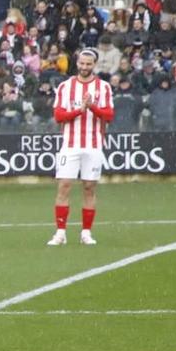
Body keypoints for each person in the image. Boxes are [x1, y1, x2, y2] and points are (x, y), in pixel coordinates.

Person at [50, 48, 114, 247]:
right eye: (81, 63)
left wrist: (93, 107)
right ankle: (60, 232)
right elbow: (58, 116)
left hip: (93, 145)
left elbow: (109, 115)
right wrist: (80, 110)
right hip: (70, 145)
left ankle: (86, 232)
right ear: (77, 63)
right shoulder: (65, 86)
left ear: (94, 65)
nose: (84, 67)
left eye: (88, 64)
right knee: (64, 186)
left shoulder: (103, 87)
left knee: (89, 188)